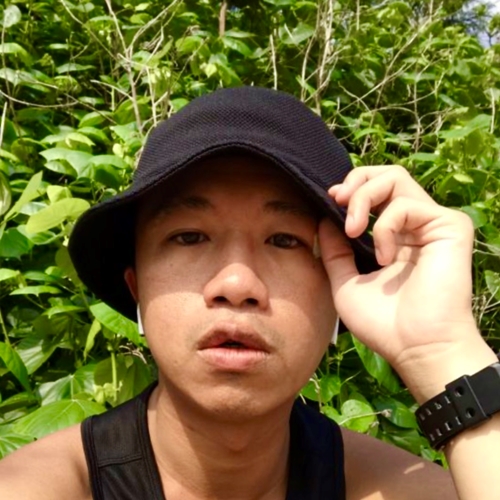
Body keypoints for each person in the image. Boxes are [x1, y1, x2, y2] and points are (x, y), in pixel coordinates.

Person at [0, 86, 499, 500]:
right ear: (137, 290)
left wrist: (441, 350)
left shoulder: (391, 489)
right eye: (189, 236)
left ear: (338, 294)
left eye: (284, 240)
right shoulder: (39, 487)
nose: (237, 286)